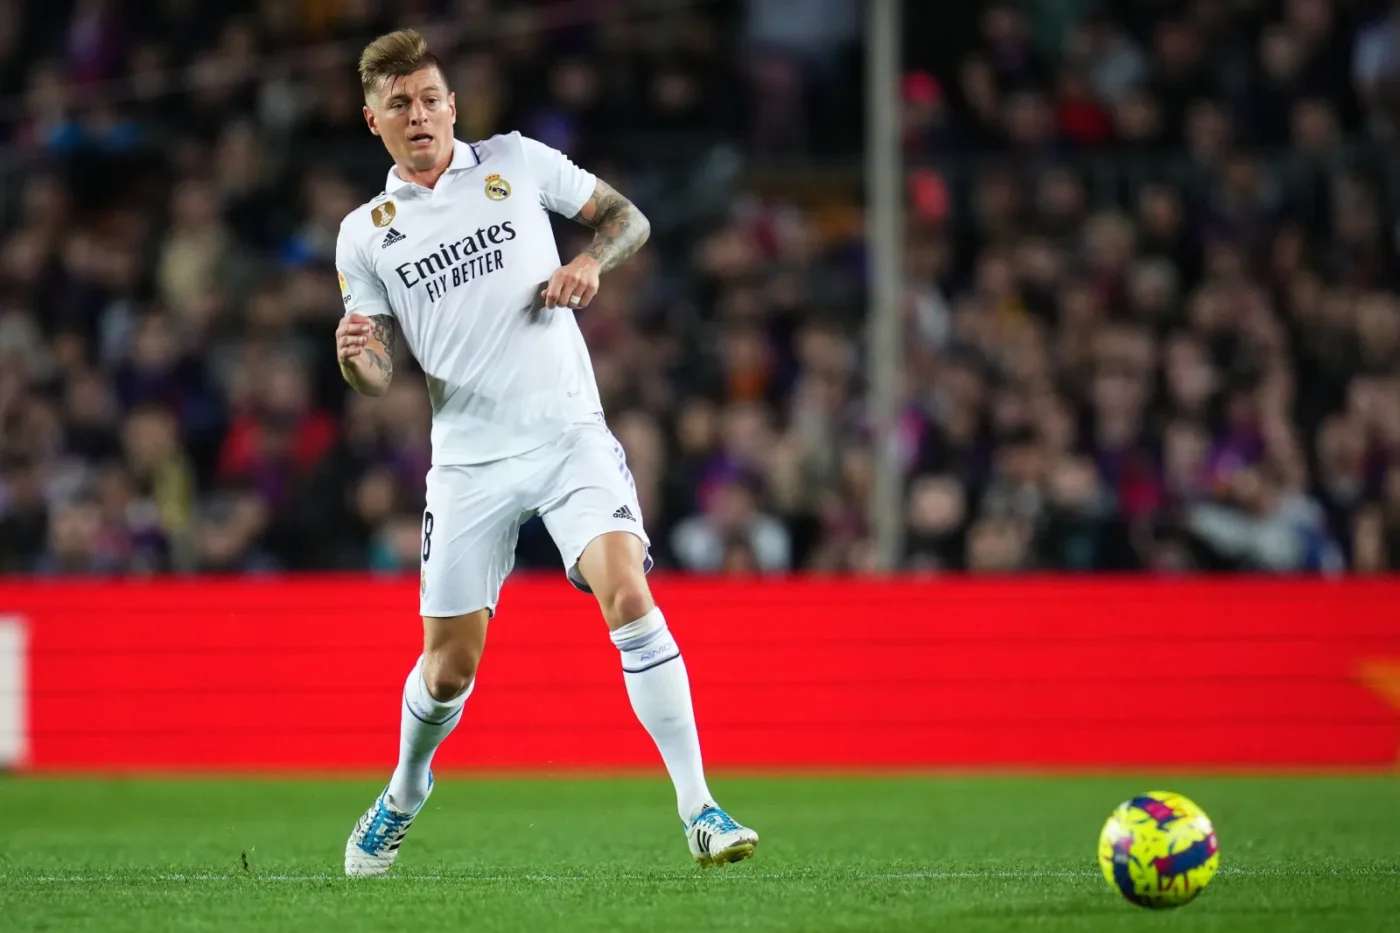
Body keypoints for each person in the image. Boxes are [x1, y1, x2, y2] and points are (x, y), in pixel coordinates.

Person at [333, 29, 758, 877]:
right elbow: (376, 372)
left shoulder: (517, 162)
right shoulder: (365, 235)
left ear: (452, 105)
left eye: (430, 99)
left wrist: (590, 261)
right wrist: (356, 359)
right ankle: (404, 792)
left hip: (568, 435)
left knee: (627, 589)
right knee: (448, 669)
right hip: (469, 461)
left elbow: (627, 219)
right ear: (373, 120)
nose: (419, 115)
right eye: (400, 105)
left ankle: (700, 808)